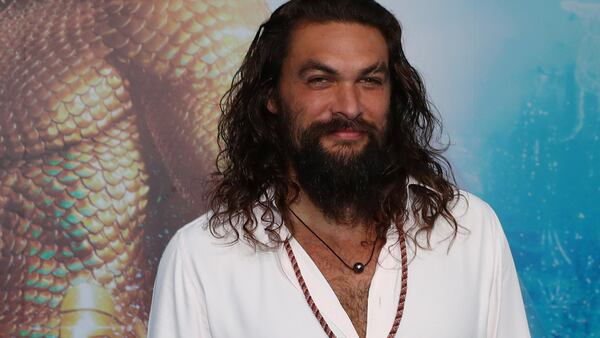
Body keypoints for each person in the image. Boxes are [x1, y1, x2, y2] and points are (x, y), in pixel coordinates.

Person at [147, 0, 530, 337]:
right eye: (320, 80)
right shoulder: (201, 259)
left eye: (370, 80)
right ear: (271, 97)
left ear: (394, 96)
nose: (349, 106)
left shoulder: (469, 231)